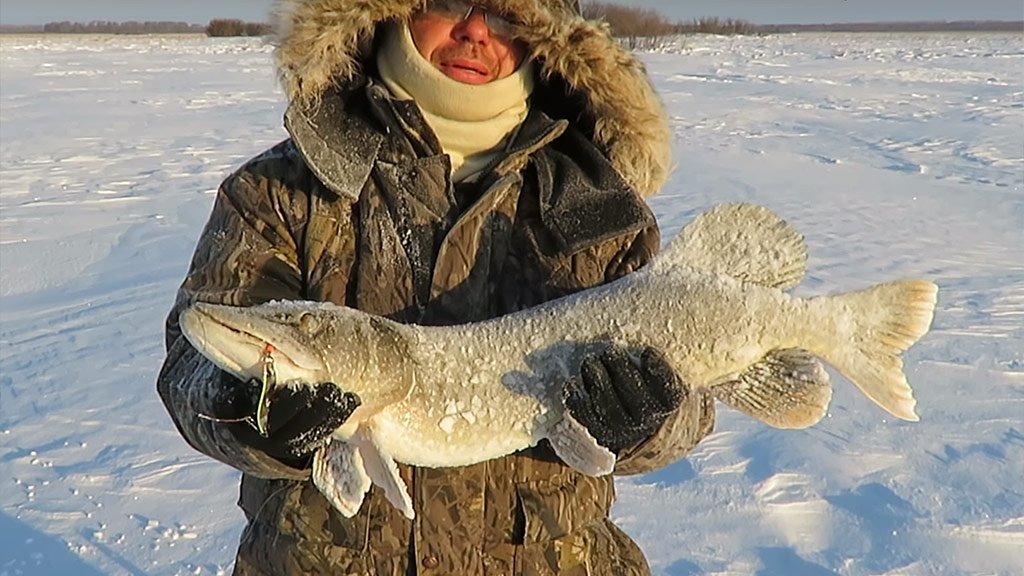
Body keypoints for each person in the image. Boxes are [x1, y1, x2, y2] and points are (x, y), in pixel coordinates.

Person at [157, 0, 716, 573]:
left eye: (505, 14)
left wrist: (648, 420)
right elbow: (191, 362)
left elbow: (693, 398)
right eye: (449, 3)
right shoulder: (285, 188)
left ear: (543, 40)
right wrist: (243, 407)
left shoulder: (594, 203)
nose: (475, 30)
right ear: (391, 13)